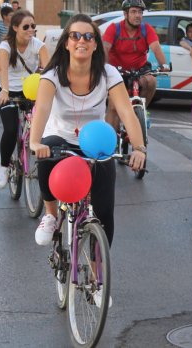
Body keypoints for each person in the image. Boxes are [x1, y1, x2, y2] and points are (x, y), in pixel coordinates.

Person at [29, 13, 146, 249]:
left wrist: (139, 148)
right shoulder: (52, 75)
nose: (81, 40)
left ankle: (97, 272)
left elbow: (126, 111)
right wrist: (34, 142)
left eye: (88, 36)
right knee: (46, 153)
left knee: (104, 213)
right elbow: (42, 108)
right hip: (60, 137)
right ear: (66, 43)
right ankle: (51, 215)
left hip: (95, 143)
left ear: (95, 45)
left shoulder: (108, 73)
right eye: (75, 35)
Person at [0, 10, 50, 188]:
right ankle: (3, 165)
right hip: (6, 89)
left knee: (41, 125)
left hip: (29, 90)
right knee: (10, 129)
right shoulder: (6, 46)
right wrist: (4, 90)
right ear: (15, 28)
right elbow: (3, 70)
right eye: (26, 26)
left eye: (33, 26)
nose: (31, 29)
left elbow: (48, 70)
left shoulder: (38, 45)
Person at [102, 0, 170, 130]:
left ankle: (142, 110)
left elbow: (156, 47)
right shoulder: (114, 28)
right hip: (117, 71)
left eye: (140, 12)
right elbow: (105, 48)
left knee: (151, 81)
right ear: (125, 14)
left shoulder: (146, 29)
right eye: (133, 12)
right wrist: (104, 67)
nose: (137, 15)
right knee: (113, 107)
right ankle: (113, 142)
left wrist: (165, 65)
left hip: (139, 69)